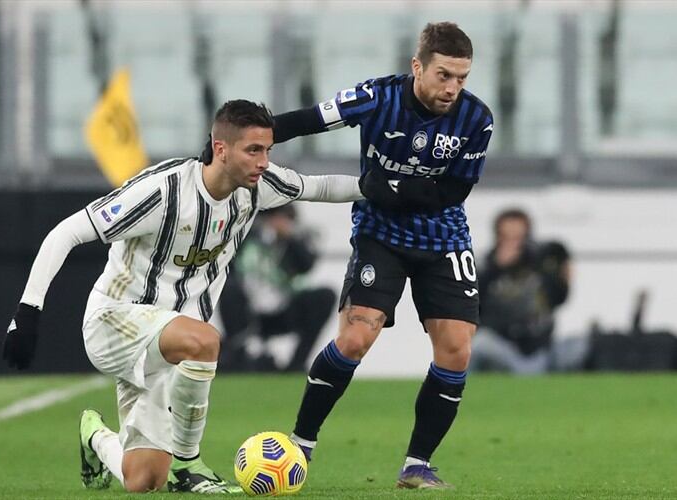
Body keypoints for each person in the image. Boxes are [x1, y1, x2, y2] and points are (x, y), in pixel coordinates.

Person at [1, 100, 362, 494]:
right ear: (221, 149)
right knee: (205, 340)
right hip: (116, 321)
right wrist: (27, 312)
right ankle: (189, 466)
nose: (263, 162)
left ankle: (96, 437)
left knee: (144, 479)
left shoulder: (258, 187)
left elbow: (320, 186)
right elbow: (67, 232)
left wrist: (382, 189)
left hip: (169, 344)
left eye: (267, 150)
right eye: (253, 150)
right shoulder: (163, 191)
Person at [205, 22, 493, 488]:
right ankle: (302, 442)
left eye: (461, 78)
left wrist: (388, 187)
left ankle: (417, 464)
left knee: (457, 350)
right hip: (380, 234)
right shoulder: (376, 97)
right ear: (417, 67)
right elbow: (303, 121)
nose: (452, 88)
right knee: (356, 337)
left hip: (444, 240)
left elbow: (452, 192)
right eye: (444, 75)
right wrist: (232, 145)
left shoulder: (477, 119)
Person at [218, 205, 336, 372]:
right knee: (228, 288)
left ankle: (296, 364)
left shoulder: (293, 240)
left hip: (282, 308)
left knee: (326, 296)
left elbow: (306, 265)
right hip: (244, 309)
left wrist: (289, 237)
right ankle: (237, 356)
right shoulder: (244, 235)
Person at [472, 208, 571, 374]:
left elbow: (559, 299)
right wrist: (496, 267)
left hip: (538, 347)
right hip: (500, 345)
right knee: (478, 344)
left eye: (518, 238)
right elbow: (471, 304)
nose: (513, 244)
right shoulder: (485, 265)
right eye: (507, 238)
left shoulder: (539, 265)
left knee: (575, 348)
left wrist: (561, 276)